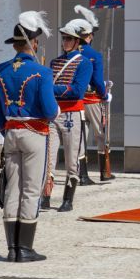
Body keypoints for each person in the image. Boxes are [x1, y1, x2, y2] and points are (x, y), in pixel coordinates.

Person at [0, 11, 59, 262]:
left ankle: (11, 249)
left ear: (15, 44)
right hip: (35, 133)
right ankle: (25, 249)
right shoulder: (42, 73)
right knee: (31, 190)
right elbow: (50, 111)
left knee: (13, 190)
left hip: (10, 133)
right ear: (34, 43)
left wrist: (6, 130)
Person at [45, 20, 93, 212]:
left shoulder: (84, 63)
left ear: (77, 42)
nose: (65, 41)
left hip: (72, 114)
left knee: (72, 158)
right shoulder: (54, 62)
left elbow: (78, 91)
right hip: (54, 113)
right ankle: (45, 196)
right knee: (49, 158)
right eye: (64, 38)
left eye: (69, 39)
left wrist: (52, 88)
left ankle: (68, 199)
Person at [73, 4, 114, 183]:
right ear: (89, 36)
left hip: (77, 101)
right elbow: (97, 81)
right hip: (93, 100)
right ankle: (104, 172)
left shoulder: (71, 53)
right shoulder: (94, 55)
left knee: (80, 136)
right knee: (101, 134)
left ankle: (82, 175)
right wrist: (105, 93)